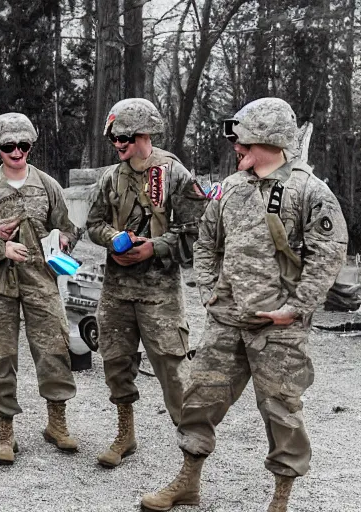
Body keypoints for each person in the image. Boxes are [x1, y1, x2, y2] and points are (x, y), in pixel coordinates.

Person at [141, 98, 348, 511]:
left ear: (269, 139)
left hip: (279, 328)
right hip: (226, 321)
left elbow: (329, 253)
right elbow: (205, 244)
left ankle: (280, 499)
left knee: (281, 412)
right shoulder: (232, 188)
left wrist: (296, 308)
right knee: (199, 400)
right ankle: (188, 481)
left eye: (244, 139)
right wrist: (209, 291)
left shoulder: (309, 191)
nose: (236, 146)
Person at [86, 98, 208, 468]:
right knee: (116, 362)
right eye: (113, 138)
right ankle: (126, 434)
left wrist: (153, 248)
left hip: (160, 293)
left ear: (144, 134)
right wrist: (113, 239)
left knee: (174, 370)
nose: (118, 144)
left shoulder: (175, 174)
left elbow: (196, 230)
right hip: (117, 290)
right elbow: (92, 224)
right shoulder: (111, 177)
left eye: (123, 137)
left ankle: (191, 452)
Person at [0, 113, 80, 465]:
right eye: (9, 146)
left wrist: (63, 240)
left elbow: (68, 228)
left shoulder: (47, 185)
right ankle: (5, 432)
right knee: (2, 359)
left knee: (54, 352)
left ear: (31, 146)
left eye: (23, 145)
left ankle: (56, 424)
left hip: (42, 283)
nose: (17, 151)